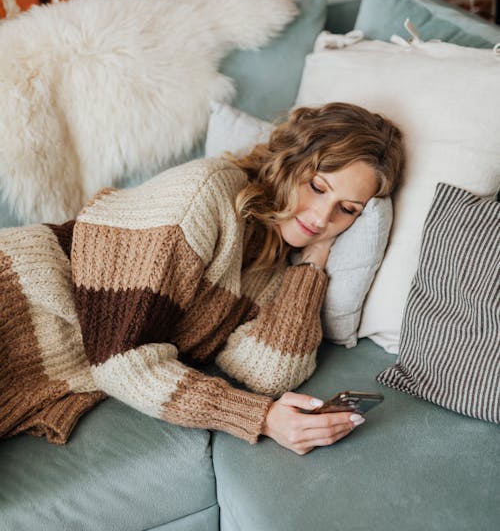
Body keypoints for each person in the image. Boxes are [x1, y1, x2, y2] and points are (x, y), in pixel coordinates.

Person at [0, 102, 404, 453]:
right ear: (291, 159)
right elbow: (119, 358)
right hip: (17, 293)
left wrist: (312, 266)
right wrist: (261, 418)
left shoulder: (274, 268)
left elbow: (271, 372)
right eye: (317, 186)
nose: (321, 218)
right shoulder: (206, 193)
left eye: (346, 210)